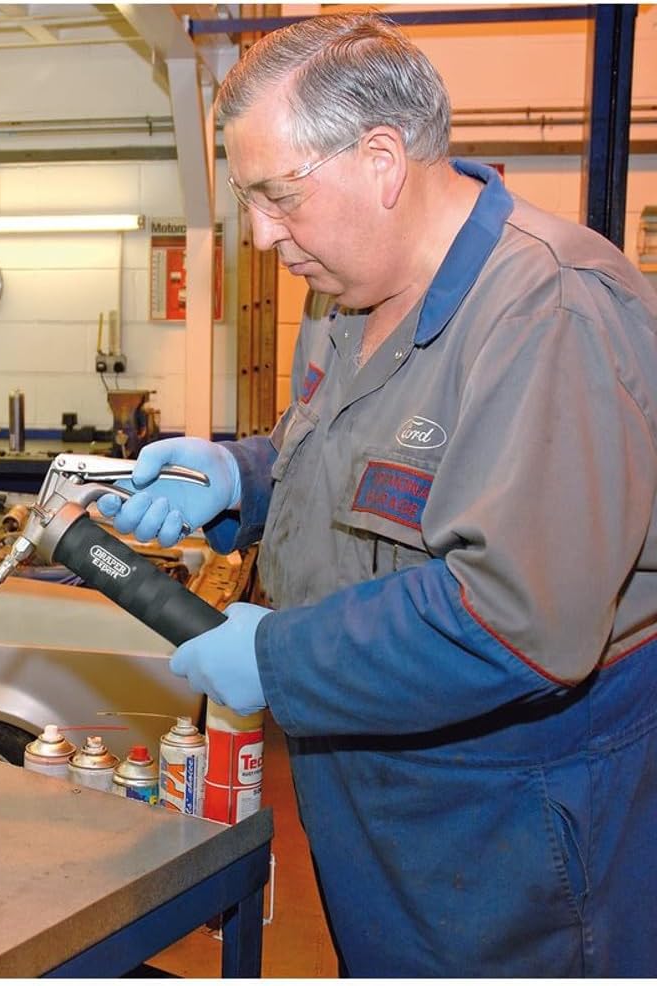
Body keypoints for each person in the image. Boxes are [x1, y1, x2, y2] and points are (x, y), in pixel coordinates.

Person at [99, 11, 657, 977]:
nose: (266, 234)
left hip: (509, 826)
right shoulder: (344, 292)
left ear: (383, 160)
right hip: (374, 786)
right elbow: (333, 455)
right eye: (248, 201)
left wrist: (277, 658)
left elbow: (518, 616)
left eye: (278, 198)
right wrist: (238, 473)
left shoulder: (551, 313)